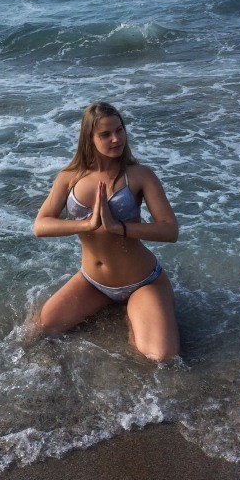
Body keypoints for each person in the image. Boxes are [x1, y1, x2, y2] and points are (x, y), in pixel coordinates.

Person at [32, 101, 180, 362]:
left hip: (142, 282)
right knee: (42, 329)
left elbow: (170, 230)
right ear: (89, 138)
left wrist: (118, 227)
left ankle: (134, 313)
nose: (116, 139)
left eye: (119, 130)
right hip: (93, 282)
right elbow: (41, 225)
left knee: (161, 356)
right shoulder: (69, 177)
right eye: (105, 134)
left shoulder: (139, 175)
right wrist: (87, 224)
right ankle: (125, 311)